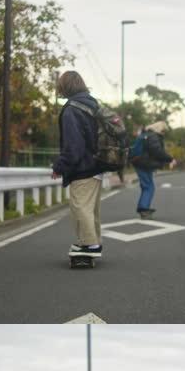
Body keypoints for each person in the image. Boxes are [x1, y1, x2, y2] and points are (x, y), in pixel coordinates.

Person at [51, 70, 105, 260]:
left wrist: (60, 166)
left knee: (80, 207)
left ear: (64, 87)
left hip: (83, 167)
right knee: (91, 209)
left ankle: (89, 245)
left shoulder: (72, 109)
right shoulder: (92, 104)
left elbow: (73, 145)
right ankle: (93, 241)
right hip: (98, 165)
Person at [131, 121, 175, 218]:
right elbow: (157, 151)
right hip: (144, 164)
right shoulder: (153, 136)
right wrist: (170, 158)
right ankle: (144, 209)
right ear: (159, 129)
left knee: (146, 186)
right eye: (163, 131)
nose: (164, 133)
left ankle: (143, 207)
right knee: (149, 187)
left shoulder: (145, 135)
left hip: (140, 162)